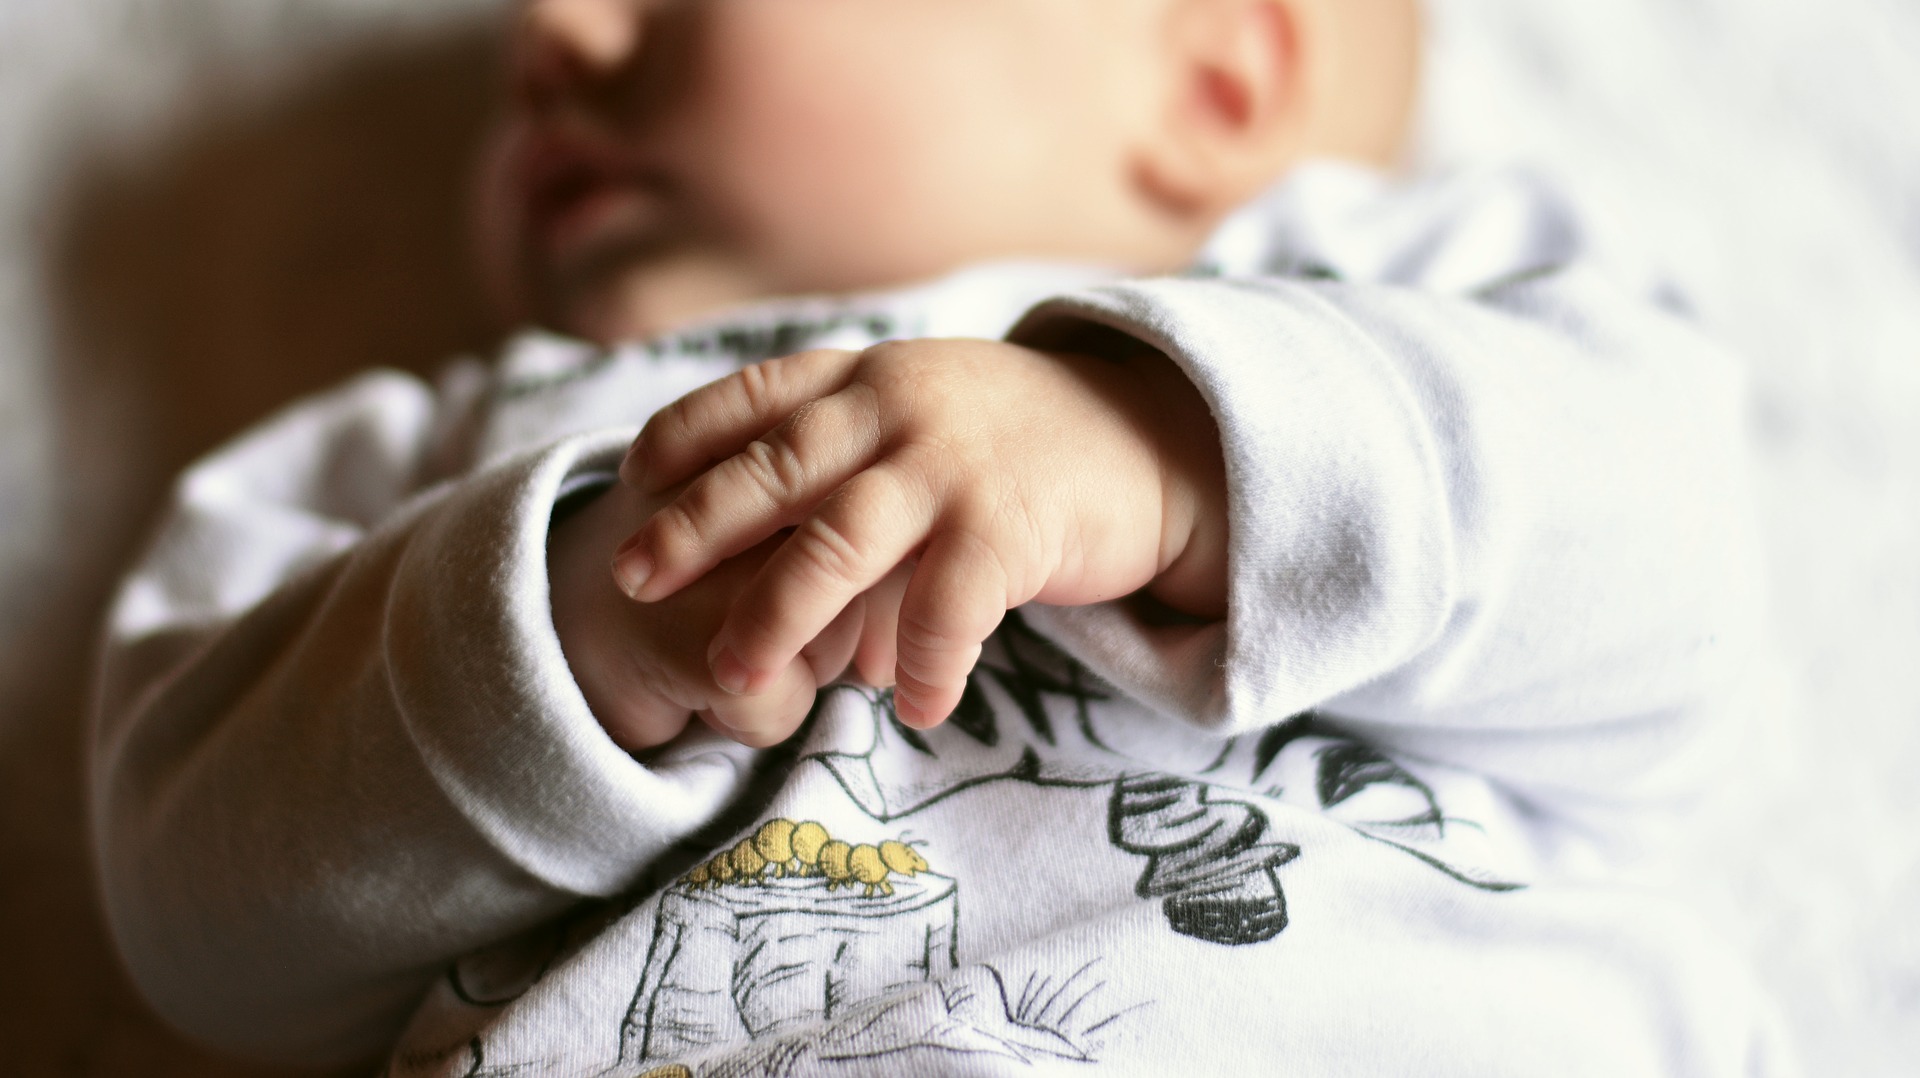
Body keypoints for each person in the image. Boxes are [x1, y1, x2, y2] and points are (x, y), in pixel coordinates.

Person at [91, 0, 1794, 1074]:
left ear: (1211, 69)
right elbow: (196, 916)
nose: (556, 30)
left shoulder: (1379, 290)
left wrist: (1163, 447)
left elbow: (1681, 579)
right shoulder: (447, 451)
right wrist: (576, 619)